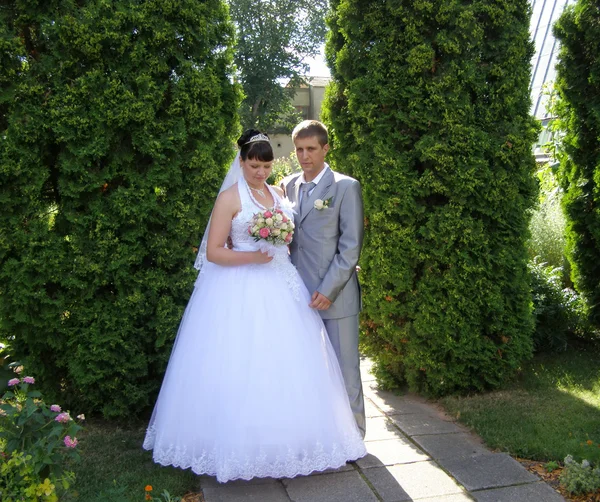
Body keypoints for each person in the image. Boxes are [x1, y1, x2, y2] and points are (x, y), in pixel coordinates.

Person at [143, 129, 366, 483]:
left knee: (290, 366)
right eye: (253, 164)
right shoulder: (230, 198)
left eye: (266, 165)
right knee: (242, 364)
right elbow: (214, 252)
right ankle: (236, 443)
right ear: (242, 161)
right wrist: (251, 256)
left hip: (284, 287)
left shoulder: (280, 192)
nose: (260, 171)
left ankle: (295, 437)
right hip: (241, 289)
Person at [281, 120, 366, 438]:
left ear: (326, 148)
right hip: (296, 295)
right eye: (299, 149)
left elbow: (350, 248)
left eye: (311, 149)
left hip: (336, 296)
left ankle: (355, 436)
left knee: (345, 371)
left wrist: (329, 289)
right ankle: (321, 434)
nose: (304, 156)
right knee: (308, 370)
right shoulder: (288, 185)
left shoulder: (346, 187)